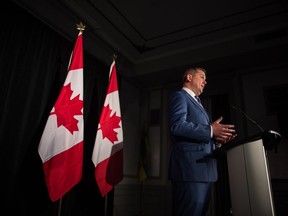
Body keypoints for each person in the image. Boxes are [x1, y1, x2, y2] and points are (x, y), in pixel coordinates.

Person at [168, 67, 237, 216]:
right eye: (202, 77)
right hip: (190, 170)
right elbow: (177, 126)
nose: (205, 81)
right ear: (189, 78)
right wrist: (211, 131)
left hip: (205, 171)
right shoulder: (180, 96)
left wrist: (216, 139)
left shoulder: (198, 103)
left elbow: (201, 135)